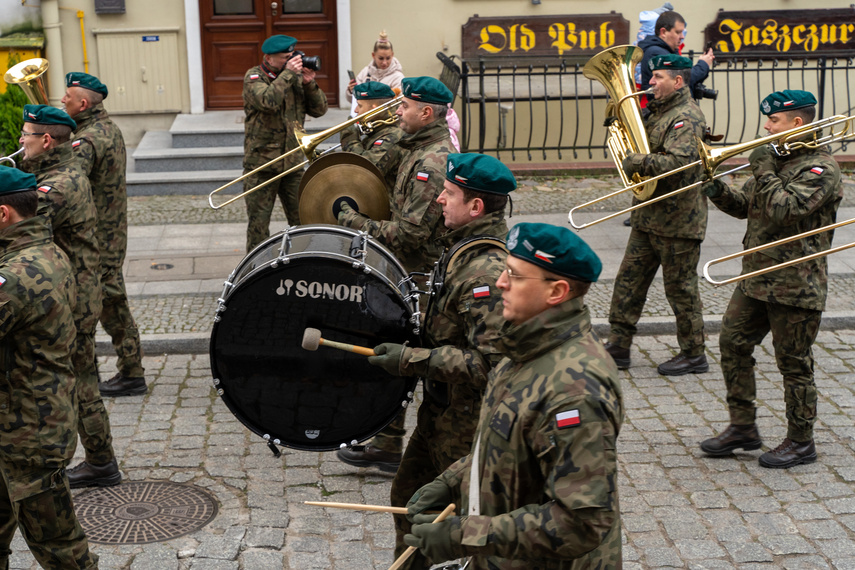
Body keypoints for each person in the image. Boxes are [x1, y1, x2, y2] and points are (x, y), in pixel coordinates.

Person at [403, 223, 623, 569]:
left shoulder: (576, 389)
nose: (500, 283)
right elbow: (505, 444)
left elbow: (581, 524)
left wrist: (465, 535)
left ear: (557, 292)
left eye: (515, 276)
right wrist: (453, 480)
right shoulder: (521, 348)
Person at [368, 153, 513, 568]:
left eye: (449, 194)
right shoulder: (461, 249)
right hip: (440, 411)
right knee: (409, 500)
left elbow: (489, 365)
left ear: (476, 207)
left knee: (466, 529)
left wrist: (412, 359)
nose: (438, 201)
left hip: (467, 425)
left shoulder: (485, 272)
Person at [699, 90, 842, 469]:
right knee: (732, 343)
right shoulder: (778, 161)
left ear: (797, 123)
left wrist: (763, 170)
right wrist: (713, 186)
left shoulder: (820, 169)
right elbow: (745, 206)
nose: (766, 126)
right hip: (757, 278)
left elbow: (786, 210)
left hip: (796, 284)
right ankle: (742, 426)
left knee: (793, 362)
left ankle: (801, 441)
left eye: (774, 121)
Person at [335, 76, 454, 471]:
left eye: (404, 107)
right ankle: (387, 443)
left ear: (426, 113)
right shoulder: (414, 148)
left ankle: (420, 450)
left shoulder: (431, 162)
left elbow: (410, 234)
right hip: (411, 271)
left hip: (423, 274)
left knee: (411, 359)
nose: (397, 112)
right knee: (394, 353)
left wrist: (355, 221)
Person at [0, 168, 99, 570]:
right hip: (28, 422)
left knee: (61, 549)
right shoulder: (48, 251)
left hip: (24, 436)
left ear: (3, 214)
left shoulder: (16, 276)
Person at [19, 104, 121, 489]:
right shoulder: (54, 171)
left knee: (77, 383)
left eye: (25, 136)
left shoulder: (59, 184)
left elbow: (22, 218)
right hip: (74, 290)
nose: (20, 143)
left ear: (46, 141)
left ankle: (98, 462)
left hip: (73, 297)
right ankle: (99, 460)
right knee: (80, 379)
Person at [605, 54, 709, 376]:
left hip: (679, 222)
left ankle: (694, 354)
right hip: (649, 217)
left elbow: (679, 166)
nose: (650, 83)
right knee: (628, 283)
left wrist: (636, 161)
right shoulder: (658, 113)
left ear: (678, 81)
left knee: (680, 290)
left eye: (658, 77)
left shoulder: (687, 118)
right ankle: (619, 345)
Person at [62, 71, 146, 397]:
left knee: (99, 308)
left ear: (82, 103)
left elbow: (67, 182)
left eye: (66, 98)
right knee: (112, 304)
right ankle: (130, 371)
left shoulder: (88, 139)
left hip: (96, 239)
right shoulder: (105, 127)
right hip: (108, 235)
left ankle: (123, 374)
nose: (61, 101)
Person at [243, 34, 328, 252]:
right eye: (286, 58)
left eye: (293, 56)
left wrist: (309, 84)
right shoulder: (254, 77)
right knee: (258, 227)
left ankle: (304, 263)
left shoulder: (295, 78)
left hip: (293, 163)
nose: (292, 61)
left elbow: (320, 110)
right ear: (269, 58)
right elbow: (267, 102)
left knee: (303, 221)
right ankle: (255, 272)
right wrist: (289, 74)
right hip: (262, 164)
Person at [339, 81, 405, 191]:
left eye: (359, 106)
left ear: (374, 109)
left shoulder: (393, 135)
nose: (355, 111)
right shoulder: (379, 125)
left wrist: (349, 138)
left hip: (383, 201)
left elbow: (363, 170)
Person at [638, 10, 714, 102]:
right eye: (678, 32)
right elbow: (682, 79)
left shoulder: (665, 50)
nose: (682, 36)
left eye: (682, 32)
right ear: (663, 32)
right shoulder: (656, 52)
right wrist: (703, 64)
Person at [345, 31, 404, 105]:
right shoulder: (365, 72)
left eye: (388, 58)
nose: (384, 62)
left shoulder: (398, 77)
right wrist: (351, 91)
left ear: (392, 55)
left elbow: (398, 103)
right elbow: (354, 101)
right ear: (373, 55)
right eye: (381, 58)